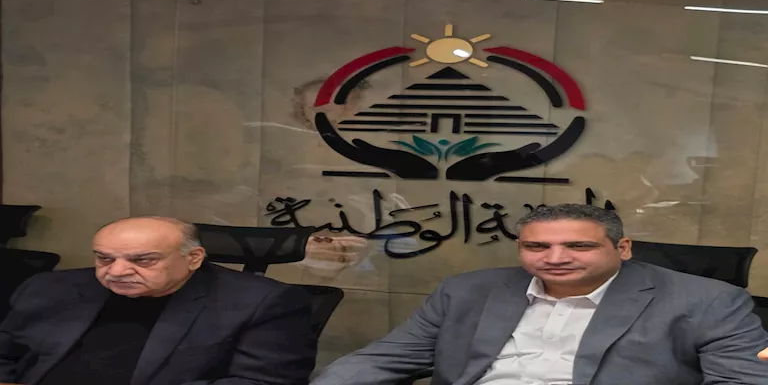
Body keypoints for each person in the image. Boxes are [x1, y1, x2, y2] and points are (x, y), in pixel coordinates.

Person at [312, 204, 768, 385]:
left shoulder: (707, 301)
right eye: (537, 247)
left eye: (579, 246)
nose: (555, 258)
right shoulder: (466, 290)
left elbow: (744, 382)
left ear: (623, 248)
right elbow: (381, 360)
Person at [0, 216, 318, 385]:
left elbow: (262, 382)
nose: (117, 271)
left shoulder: (263, 302)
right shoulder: (50, 287)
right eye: (104, 258)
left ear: (193, 258)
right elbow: (5, 355)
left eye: (143, 260)